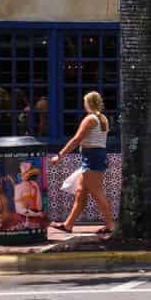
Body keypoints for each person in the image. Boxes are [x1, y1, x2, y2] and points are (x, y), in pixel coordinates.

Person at [54, 92, 115, 235]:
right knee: (81, 192)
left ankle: (111, 225)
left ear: (87, 103)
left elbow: (77, 139)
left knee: (97, 193)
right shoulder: (103, 118)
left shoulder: (90, 119)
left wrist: (60, 155)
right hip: (95, 156)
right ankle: (68, 225)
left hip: (92, 157)